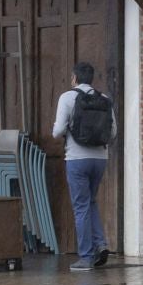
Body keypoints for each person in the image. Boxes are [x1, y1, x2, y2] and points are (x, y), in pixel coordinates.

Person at [53, 62, 116, 271]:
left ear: (74, 78)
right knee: (90, 202)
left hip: (77, 159)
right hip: (100, 159)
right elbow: (113, 131)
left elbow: (57, 131)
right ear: (91, 78)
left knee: (81, 206)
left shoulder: (67, 98)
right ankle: (100, 244)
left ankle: (86, 257)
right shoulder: (104, 99)